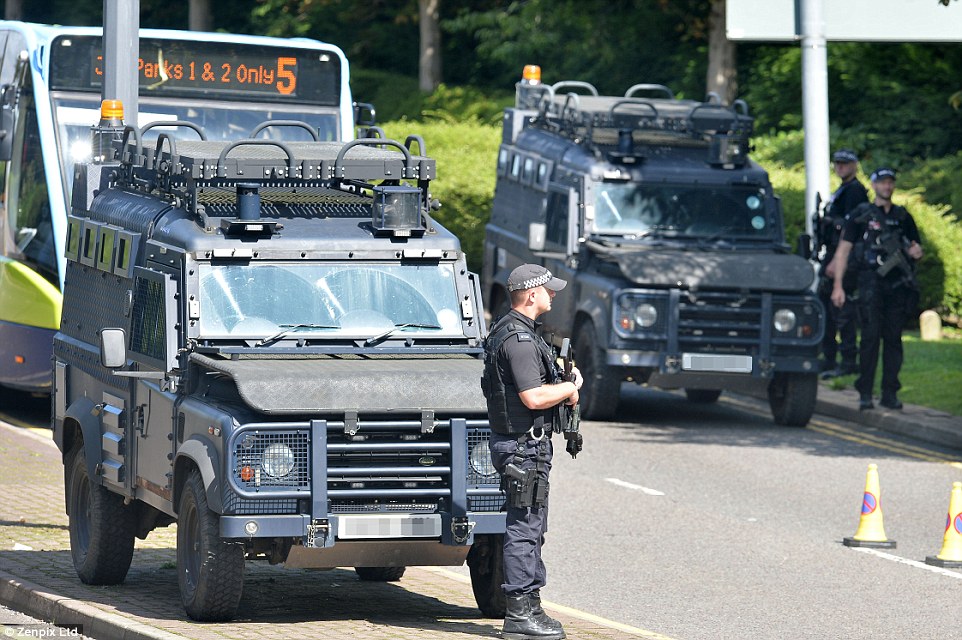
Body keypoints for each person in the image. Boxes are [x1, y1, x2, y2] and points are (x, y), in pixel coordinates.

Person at [480, 264, 582, 640]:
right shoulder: (518, 340)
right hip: (523, 447)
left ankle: (531, 606)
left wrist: (567, 379)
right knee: (523, 529)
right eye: (549, 290)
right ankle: (519, 616)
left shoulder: (516, 333)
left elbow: (542, 382)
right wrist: (569, 389)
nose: (553, 295)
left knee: (533, 527)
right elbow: (534, 396)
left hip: (527, 446)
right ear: (531, 293)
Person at [829, 168, 923, 411]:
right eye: (882, 182)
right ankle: (865, 393)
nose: (887, 187)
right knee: (869, 340)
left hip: (897, 286)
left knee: (893, 340)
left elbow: (915, 247)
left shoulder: (903, 217)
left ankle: (889, 393)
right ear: (873, 186)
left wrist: (916, 253)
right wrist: (838, 286)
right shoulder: (860, 216)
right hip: (870, 284)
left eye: (891, 182)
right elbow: (843, 251)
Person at [819, 149, 869, 379]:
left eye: (845, 164)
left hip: (843, 255)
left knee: (841, 307)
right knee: (828, 306)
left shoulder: (855, 191)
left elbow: (850, 231)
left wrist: (839, 261)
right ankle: (829, 357)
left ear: (855, 165)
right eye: (837, 163)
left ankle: (847, 359)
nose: (840, 167)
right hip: (834, 252)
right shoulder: (843, 190)